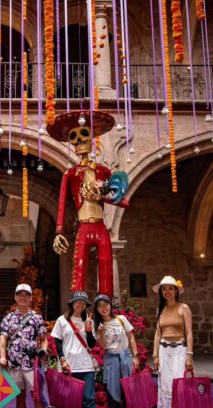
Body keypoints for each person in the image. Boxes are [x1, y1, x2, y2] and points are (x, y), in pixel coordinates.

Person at [48, 110, 129, 299]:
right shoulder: (70, 174)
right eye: (74, 138)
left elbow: (124, 202)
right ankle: (78, 307)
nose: (79, 142)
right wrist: (59, 231)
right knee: (79, 266)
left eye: (83, 135)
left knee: (106, 263)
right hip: (83, 226)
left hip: (100, 225)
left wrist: (102, 195)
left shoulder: (103, 170)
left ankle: (108, 306)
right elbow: (61, 202)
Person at [0, 284, 57, 408]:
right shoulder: (8, 318)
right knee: (20, 397)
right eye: (20, 294)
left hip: (32, 363)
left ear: (31, 298)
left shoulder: (36, 317)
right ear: (15, 297)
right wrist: (2, 356)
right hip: (14, 363)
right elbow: (2, 339)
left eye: (26, 294)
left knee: (37, 397)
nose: (23, 297)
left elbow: (43, 338)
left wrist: (43, 351)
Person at [50, 290, 99, 408]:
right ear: (71, 303)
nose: (80, 305)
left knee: (88, 400)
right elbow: (58, 342)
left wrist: (89, 330)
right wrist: (62, 360)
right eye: (77, 301)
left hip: (86, 366)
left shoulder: (88, 321)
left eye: (83, 303)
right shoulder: (62, 320)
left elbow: (92, 344)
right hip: (69, 366)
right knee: (72, 401)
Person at [151, 276, 194, 408]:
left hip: (180, 352)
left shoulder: (183, 308)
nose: (167, 292)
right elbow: (157, 334)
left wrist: (189, 355)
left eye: (170, 288)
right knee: (169, 391)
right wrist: (155, 355)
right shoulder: (160, 310)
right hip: (164, 352)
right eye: (164, 289)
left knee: (181, 393)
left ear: (176, 290)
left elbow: (189, 333)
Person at [93, 294, 140, 408]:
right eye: (100, 305)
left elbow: (131, 337)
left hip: (125, 359)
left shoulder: (121, 319)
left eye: (106, 304)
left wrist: (135, 356)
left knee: (127, 396)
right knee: (113, 397)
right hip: (111, 361)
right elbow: (103, 346)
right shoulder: (98, 326)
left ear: (110, 305)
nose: (104, 308)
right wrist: (101, 333)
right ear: (96, 309)